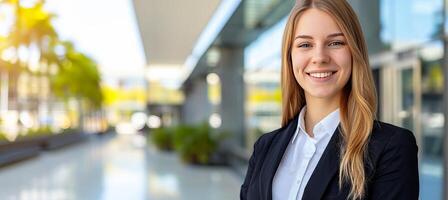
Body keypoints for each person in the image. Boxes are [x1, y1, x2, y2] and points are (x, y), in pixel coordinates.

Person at [239, 0, 419, 199]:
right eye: (305, 44)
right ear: (290, 57)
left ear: (354, 52)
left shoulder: (391, 148)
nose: (320, 57)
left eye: (335, 43)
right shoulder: (265, 147)